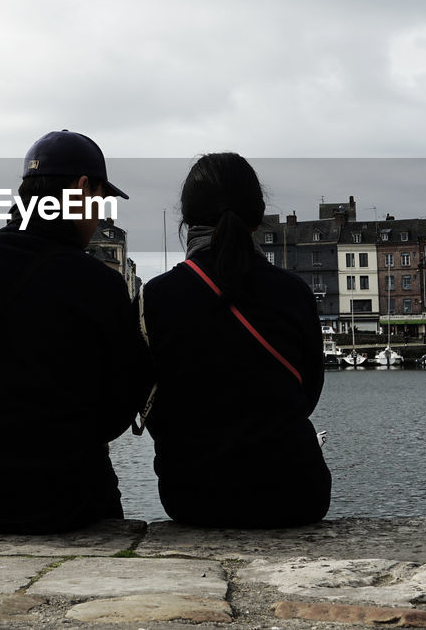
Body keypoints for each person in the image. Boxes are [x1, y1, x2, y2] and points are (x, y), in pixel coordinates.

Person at [0, 130, 146, 533]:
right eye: (100, 199)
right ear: (80, 190)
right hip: (65, 501)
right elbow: (120, 408)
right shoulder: (99, 283)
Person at [139, 152, 331, 527]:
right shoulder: (294, 292)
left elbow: (148, 402)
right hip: (296, 494)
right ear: (257, 217)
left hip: (194, 498)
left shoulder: (154, 297)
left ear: (188, 219)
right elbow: (308, 395)